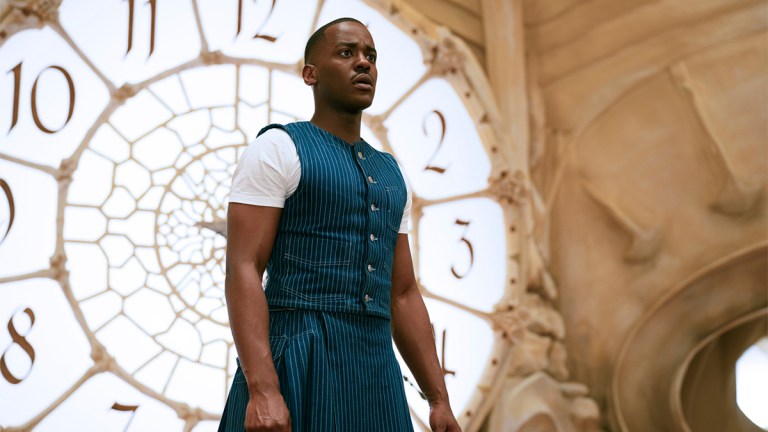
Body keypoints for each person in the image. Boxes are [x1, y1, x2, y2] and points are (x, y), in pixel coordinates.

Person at [218, 17, 461, 432]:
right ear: (310, 73)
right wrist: (263, 390)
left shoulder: (390, 173)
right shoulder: (277, 147)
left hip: (376, 370)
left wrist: (439, 400)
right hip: (298, 356)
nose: (363, 63)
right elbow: (244, 268)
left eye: (370, 56)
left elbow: (402, 293)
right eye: (346, 53)